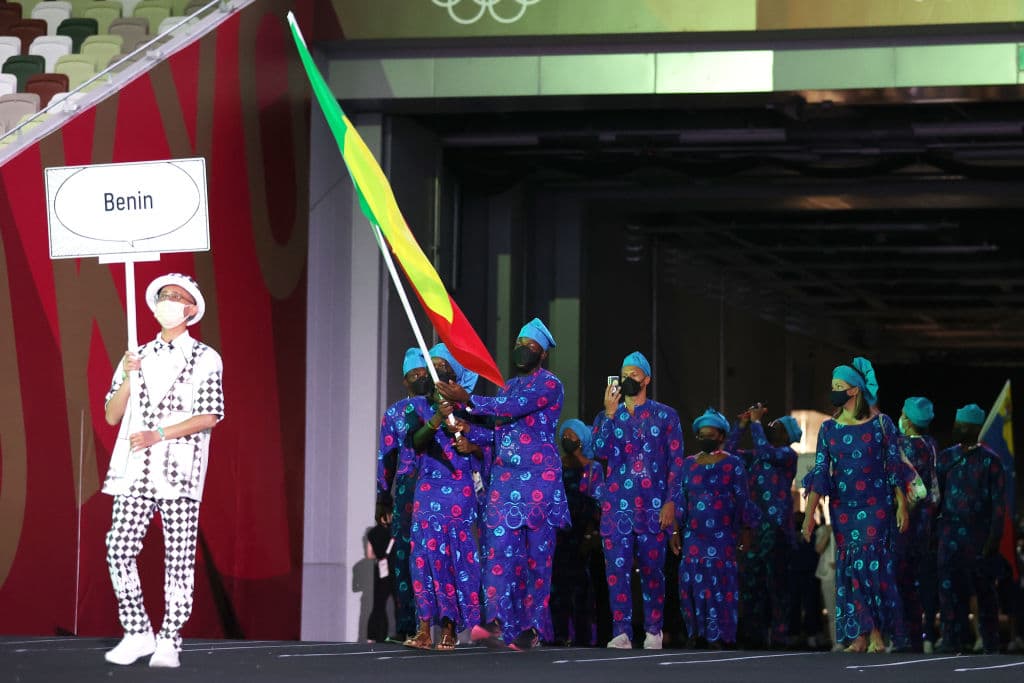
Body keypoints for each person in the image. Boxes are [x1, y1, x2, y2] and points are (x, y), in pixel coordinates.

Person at [101, 273, 224, 668]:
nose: (168, 302)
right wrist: (127, 373)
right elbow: (111, 413)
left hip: (179, 470)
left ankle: (170, 638)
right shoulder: (138, 354)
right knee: (118, 547)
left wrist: (159, 434)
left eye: (177, 298)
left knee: (179, 557)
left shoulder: (205, 357)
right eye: (164, 296)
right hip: (136, 470)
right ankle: (137, 630)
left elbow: (209, 415)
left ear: (191, 310)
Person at [437, 317, 569, 651]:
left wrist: (468, 399)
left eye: (531, 347)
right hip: (504, 484)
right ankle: (497, 621)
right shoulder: (507, 385)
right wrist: (470, 432)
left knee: (536, 560)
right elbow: (500, 431)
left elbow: (510, 409)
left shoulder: (550, 385)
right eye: (520, 344)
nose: (523, 350)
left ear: (542, 354)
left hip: (540, 484)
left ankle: (533, 627)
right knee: (497, 554)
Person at [800, 357, 909, 653]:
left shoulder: (881, 424)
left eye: (839, 386)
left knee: (871, 566)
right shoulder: (828, 429)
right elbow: (821, 473)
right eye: (833, 386)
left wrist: (901, 504)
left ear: (855, 391)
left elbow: (894, 466)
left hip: (877, 504)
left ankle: (877, 635)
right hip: (844, 508)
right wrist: (809, 516)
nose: (834, 391)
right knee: (851, 569)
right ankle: (860, 635)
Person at [586, 351, 685, 649]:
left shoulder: (665, 415)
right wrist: (610, 413)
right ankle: (622, 631)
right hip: (617, 508)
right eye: (624, 374)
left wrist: (672, 503)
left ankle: (654, 629)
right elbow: (599, 451)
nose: (629, 379)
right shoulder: (607, 416)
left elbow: (677, 463)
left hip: (653, 507)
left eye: (634, 374)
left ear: (646, 379)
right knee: (616, 571)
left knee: (653, 570)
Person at [402, 343, 484, 651]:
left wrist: (471, 446)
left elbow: (487, 447)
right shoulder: (420, 407)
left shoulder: (471, 410)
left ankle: (449, 629)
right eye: (434, 364)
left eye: (443, 365)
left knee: (451, 560)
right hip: (428, 490)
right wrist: (437, 417)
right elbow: (416, 443)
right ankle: (425, 628)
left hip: (459, 492)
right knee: (423, 559)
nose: (438, 370)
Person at [671, 408, 758, 648]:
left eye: (710, 435)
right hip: (694, 536)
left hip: (723, 537)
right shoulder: (688, 464)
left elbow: (743, 499)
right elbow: (680, 499)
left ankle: (720, 635)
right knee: (693, 583)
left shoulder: (734, 464)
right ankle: (695, 633)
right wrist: (675, 531)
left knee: (720, 584)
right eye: (701, 435)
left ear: (721, 436)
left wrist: (747, 530)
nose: (706, 439)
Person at [724, 404, 800, 648]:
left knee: (777, 584)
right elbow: (729, 454)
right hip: (756, 529)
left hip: (778, 530)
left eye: (775, 426)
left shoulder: (787, 455)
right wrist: (742, 426)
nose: (768, 428)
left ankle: (779, 634)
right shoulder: (757, 455)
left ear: (786, 435)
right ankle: (753, 634)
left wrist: (756, 423)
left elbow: (767, 453)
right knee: (751, 583)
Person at [935, 403, 1006, 654]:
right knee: (948, 591)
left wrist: (994, 539)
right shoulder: (945, 458)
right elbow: (937, 498)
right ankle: (951, 639)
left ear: (975, 428)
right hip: (949, 537)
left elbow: (999, 505)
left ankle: (990, 643)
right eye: (956, 424)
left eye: (963, 425)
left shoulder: (992, 461)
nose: (958, 429)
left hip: (980, 537)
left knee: (984, 592)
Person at [376, 347, 435, 642]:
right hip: (405, 489)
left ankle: (439, 626)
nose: (420, 378)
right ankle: (406, 624)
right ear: (405, 381)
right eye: (414, 375)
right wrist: (382, 496)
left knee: (433, 556)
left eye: (424, 373)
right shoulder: (395, 413)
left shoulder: (441, 408)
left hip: (437, 487)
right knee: (403, 557)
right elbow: (386, 456)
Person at [894, 396, 940, 652]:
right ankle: (919, 636)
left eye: (902, 413)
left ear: (909, 421)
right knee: (916, 582)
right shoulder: (931, 445)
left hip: (905, 522)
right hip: (924, 526)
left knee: (899, 580)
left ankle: (903, 637)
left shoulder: (905, 447)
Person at [550, 418, 601, 646]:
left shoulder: (593, 469)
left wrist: (592, 534)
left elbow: (598, 503)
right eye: (564, 436)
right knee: (557, 587)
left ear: (582, 440)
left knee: (582, 588)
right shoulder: (556, 465)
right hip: (558, 534)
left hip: (583, 535)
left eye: (572, 436)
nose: (566, 440)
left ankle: (584, 636)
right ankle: (558, 634)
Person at [366, 506, 396, 643]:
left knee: (378, 605)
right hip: (394, 570)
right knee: (398, 604)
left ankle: (373, 635)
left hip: (380, 570)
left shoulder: (372, 533)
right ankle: (401, 634)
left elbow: (369, 554)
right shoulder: (393, 533)